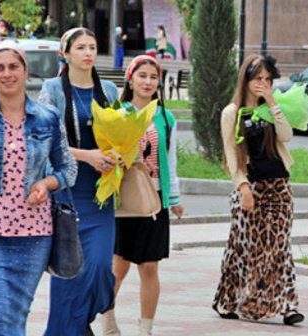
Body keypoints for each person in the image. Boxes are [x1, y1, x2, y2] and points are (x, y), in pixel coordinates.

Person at [0, 40, 76, 335]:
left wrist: (47, 183)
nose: (7, 74)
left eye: (13, 67)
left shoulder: (47, 118)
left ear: (25, 72)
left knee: (15, 319)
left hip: (34, 236)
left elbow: (68, 169)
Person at [39, 27, 119, 336]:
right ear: (67, 53)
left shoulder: (109, 90)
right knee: (69, 273)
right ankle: (71, 330)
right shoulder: (52, 88)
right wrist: (88, 156)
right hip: (67, 194)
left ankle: (77, 323)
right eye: (81, 47)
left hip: (101, 194)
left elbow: (118, 134)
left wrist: (118, 156)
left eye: (92, 47)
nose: (88, 53)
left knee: (100, 267)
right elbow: (46, 140)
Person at [213, 54, 304, 326]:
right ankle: (228, 299)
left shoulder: (270, 107)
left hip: (279, 185)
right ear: (246, 79)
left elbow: (286, 135)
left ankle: (287, 306)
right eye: (257, 79)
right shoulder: (232, 112)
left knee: (279, 247)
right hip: (250, 186)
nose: (262, 84)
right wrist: (243, 188)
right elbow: (231, 153)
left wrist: (274, 103)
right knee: (242, 247)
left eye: (267, 79)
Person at [96, 55, 183, 336]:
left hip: (154, 201)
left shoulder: (166, 118)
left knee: (149, 267)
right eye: (142, 75)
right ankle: (107, 320)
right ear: (130, 79)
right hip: (123, 200)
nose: (147, 82)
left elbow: (171, 160)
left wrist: (175, 198)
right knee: (118, 266)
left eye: (153, 77)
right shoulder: (117, 113)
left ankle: (145, 328)